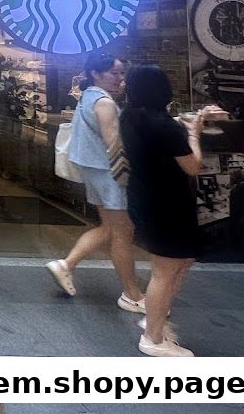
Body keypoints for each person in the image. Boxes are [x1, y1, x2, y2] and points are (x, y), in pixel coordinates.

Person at [121, 66, 214, 357]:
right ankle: (153, 337)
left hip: (146, 197)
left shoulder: (130, 116)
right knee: (165, 269)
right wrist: (194, 134)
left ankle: (154, 318)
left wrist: (182, 126)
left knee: (181, 260)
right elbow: (193, 166)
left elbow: (159, 134)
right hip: (168, 203)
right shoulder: (165, 126)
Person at [45, 53, 145, 312]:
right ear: (95, 74)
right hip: (110, 174)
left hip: (95, 172)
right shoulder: (104, 103)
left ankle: (66, 265)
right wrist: (132, 174)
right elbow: (114, 144)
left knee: (109, 228)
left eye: (122, 73)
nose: (120, 78)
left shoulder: (88, 97)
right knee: (122, 233)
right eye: (114, 73)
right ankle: (132, 294)